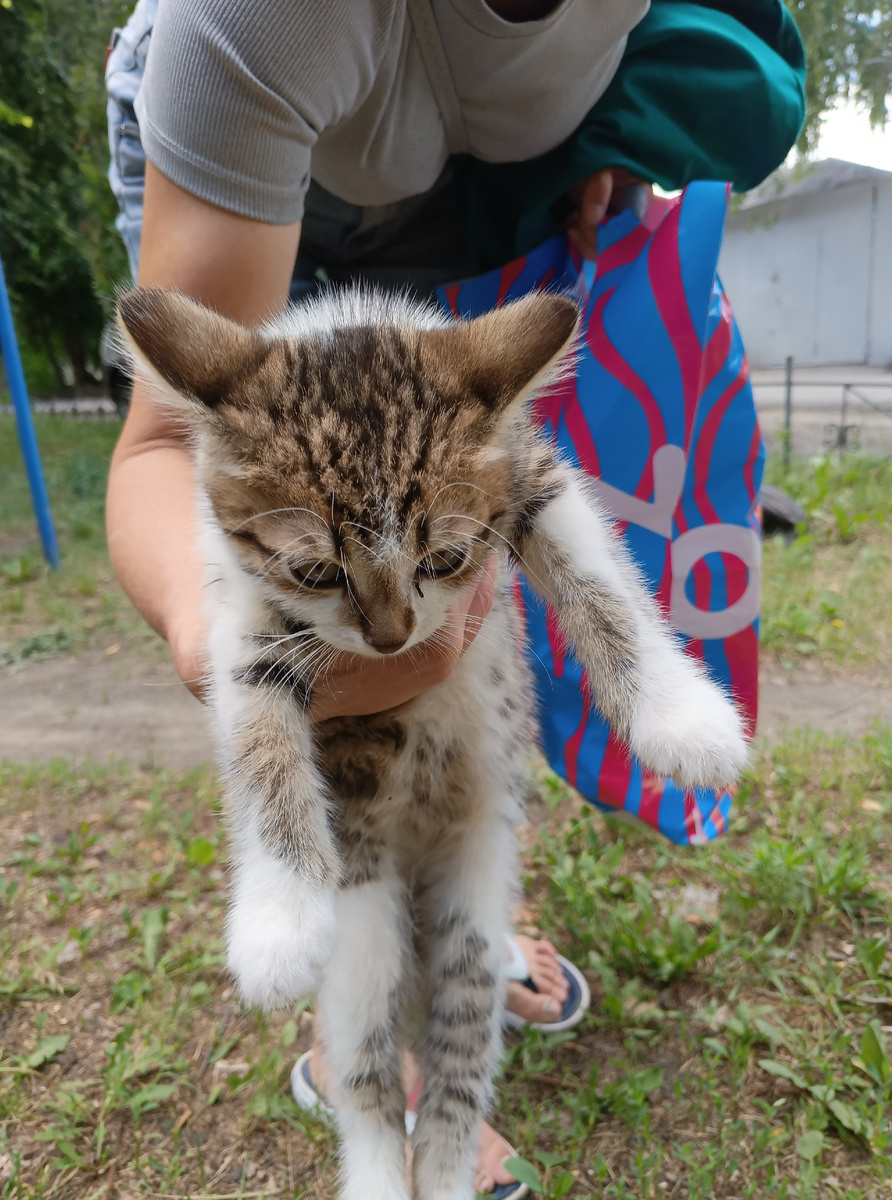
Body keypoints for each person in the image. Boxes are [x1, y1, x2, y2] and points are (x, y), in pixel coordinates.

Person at [104, 1, 806, 1193]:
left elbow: (530, 480)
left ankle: (456, 961)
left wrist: (602, 139)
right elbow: (162, 446)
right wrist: (217, 644)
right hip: (266, 143)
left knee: (466, 750)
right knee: (351, 788)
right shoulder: (247, 33)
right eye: (327, 573)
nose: (392, 629)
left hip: (480, 177)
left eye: (424, 573)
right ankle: (366, 1078)